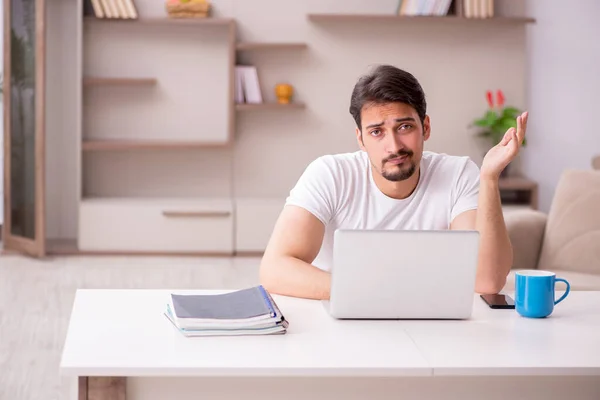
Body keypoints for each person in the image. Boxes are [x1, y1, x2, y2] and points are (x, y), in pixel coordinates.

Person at [259, 64, 527, 300]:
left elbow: (487, 281)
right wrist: (370, 292)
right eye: (377, 132)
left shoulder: (458, 174)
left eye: (404, 127)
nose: (394, 146)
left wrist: (490, 178)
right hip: (343, 314)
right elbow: (274, 269)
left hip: (430, 325)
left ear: (426, 127)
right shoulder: (329, 174)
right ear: (360, 139)